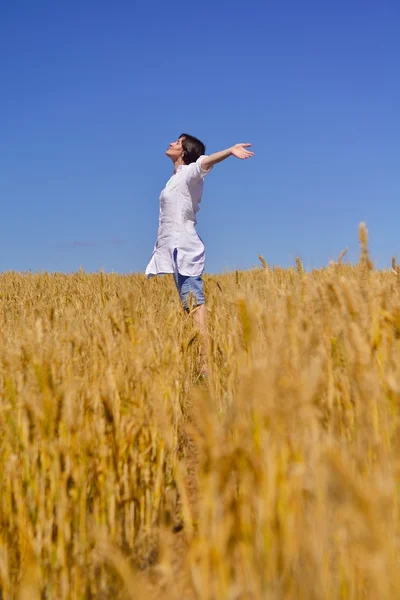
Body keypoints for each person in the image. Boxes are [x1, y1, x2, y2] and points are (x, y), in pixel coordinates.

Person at [145, 134, 254, 376]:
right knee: (189, 307)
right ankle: (201, 364)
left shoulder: (188, 173)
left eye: (177, 142)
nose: (171, 143)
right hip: (173, 249)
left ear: (184, 151)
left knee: (195, 308)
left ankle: (206, 368)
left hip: (184, 247)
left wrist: (229, 150)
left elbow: (204, 163)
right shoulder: (174, 179)